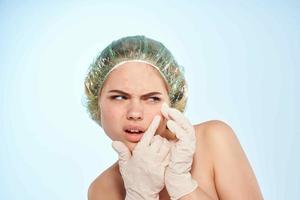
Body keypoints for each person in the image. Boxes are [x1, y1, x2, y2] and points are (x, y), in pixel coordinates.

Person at [84, 35, 263, 200]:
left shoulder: (213, 139)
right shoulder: (103, 189)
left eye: (152, 98)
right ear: (96, 101)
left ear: (172, 102)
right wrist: (139, 195)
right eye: (120, 97)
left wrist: (182, 184)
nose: (135, 113)